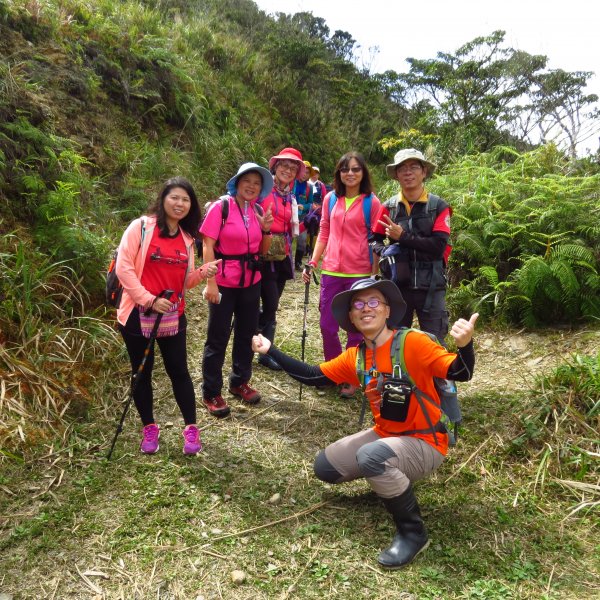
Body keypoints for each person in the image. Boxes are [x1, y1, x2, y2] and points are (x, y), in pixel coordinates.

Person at [252, 277, 478, 569]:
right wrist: (271, 350)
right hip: (387, 436)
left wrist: (466, 345)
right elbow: (312, 375)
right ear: (351, 318)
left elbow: (461, 371)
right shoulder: (357, 357)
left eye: (373, 302)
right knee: (326, 467)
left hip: (427, 441)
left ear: (387, 310)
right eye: (358, 304)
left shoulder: (413, 343)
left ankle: (413, 532)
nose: (365, 309)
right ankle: (391, 482)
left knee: (372, 458)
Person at [115, 177, 221, 455]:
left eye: (185, 200)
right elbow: (123, 269)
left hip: (173, 315)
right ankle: (149, 428)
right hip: (137, 314)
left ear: (191, 206)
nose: (179, 204)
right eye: (174, 197)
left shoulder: (187, 240)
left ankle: (191, 429)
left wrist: (202, 273)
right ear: (163, 199)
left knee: (179, 371)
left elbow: (184, 281)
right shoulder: (140, 228)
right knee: (142, 373)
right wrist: (149, 300)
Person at [303, 152, 381, 398]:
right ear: (338, 173)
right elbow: (324, 232)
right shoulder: (330, 199)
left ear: (363, 173)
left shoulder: (372, 202)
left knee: (356, 328)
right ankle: (333, 369)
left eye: (356, 169)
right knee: (327, 325)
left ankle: (351, 375)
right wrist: (313, 261)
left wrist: (375, 274)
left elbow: (376, 240)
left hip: (359, 272)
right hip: (331, 271)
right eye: (345, 169)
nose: (350, 173)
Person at [200, 163, 274, 416]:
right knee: (217, 338)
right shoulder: (220, 208)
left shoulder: (258, 210)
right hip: (224, 282)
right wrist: (210, 282)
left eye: (257, 182)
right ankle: (211, 392)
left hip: (251, 281)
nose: (252, 186)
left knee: (246, 334)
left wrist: (266, 229)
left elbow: (263, 251)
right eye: (247, 181)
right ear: (237, 182)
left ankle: (239, 381)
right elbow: (207, 246)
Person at [372, 149, 451, 343]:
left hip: (431, 287)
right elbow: (374, 238)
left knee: (435, 344)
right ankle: (398, 375)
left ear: (424, 172)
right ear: (396, 175)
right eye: (402, 168)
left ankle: (434, 375)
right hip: (397, 287)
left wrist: (403, 237)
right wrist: (385, 253)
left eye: (414, 167)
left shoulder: (438, 207)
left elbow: (439, 246)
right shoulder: (388, 207)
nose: (408, 172)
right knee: (394, 343)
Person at [256, 147, 305, 371]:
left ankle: (264, 349)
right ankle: (254, 340)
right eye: (284, 165)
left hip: (281, 254)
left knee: (272, 306)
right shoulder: (262, 191)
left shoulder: (290, 197)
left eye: (293, 168)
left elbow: (290, 227)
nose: (288, 170)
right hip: (261, 253)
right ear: (275, 167)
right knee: (270, 302)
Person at [293, 160, 314, 270]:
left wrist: (304, 207)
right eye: (303, 172)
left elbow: (311, 203)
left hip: (302, 216)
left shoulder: (309, 187)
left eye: (307, 173)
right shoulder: (292, 182)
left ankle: (298, 262)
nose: (304, 175)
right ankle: (285, 261)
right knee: (289, 238)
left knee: (302, 240)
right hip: (290, 214)